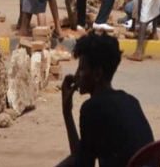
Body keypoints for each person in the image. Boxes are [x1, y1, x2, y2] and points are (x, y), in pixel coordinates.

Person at [57, 31, 154, 167]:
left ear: (98, 74)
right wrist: (67, 110)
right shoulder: (131, 101)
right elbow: (80, 157)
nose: (77, 74)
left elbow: (82, 164)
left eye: (82, 69)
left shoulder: (92, 108)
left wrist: (66, 113)